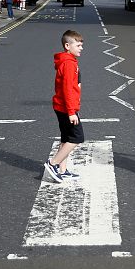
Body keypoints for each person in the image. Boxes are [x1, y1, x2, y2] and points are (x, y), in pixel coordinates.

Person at [44, 30, 86, 182]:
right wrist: (71, 112)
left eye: (82, 45)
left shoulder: (68, 61)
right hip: (66, 108)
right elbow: (67, 89)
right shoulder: (68, 63)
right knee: (76, 138)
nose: (81, 48)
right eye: (78, 45)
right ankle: (53, 163)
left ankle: (62, 170)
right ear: (67, 46)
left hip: (62, 106)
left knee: (66, 138)